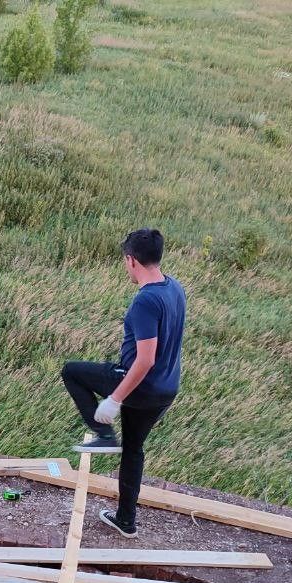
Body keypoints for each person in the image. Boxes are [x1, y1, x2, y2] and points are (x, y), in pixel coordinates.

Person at [61, 228, 185, 539]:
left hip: (140, 384)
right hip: (166, 390)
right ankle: (125, 521)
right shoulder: (174, 289)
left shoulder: (145, 301)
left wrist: (115, 399)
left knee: (72, 371)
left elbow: (145, 360)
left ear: (131, 261)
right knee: (133, 449)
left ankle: (103, 434)